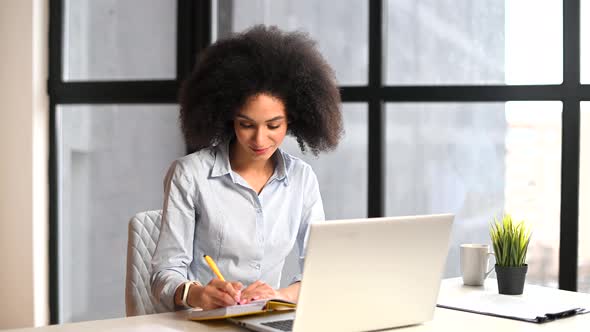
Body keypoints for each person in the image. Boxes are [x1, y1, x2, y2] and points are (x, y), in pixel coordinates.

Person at [150, 25, 342, 311]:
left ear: (294, 120)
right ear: (228, 118)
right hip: (204, 321)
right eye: (246, 125)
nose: (260, 139)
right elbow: (163, 275)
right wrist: (197, 294)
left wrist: (278, 295)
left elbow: (321, 271)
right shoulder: (190, 175)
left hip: (267, 319)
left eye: (274, 125)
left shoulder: (302, 179)